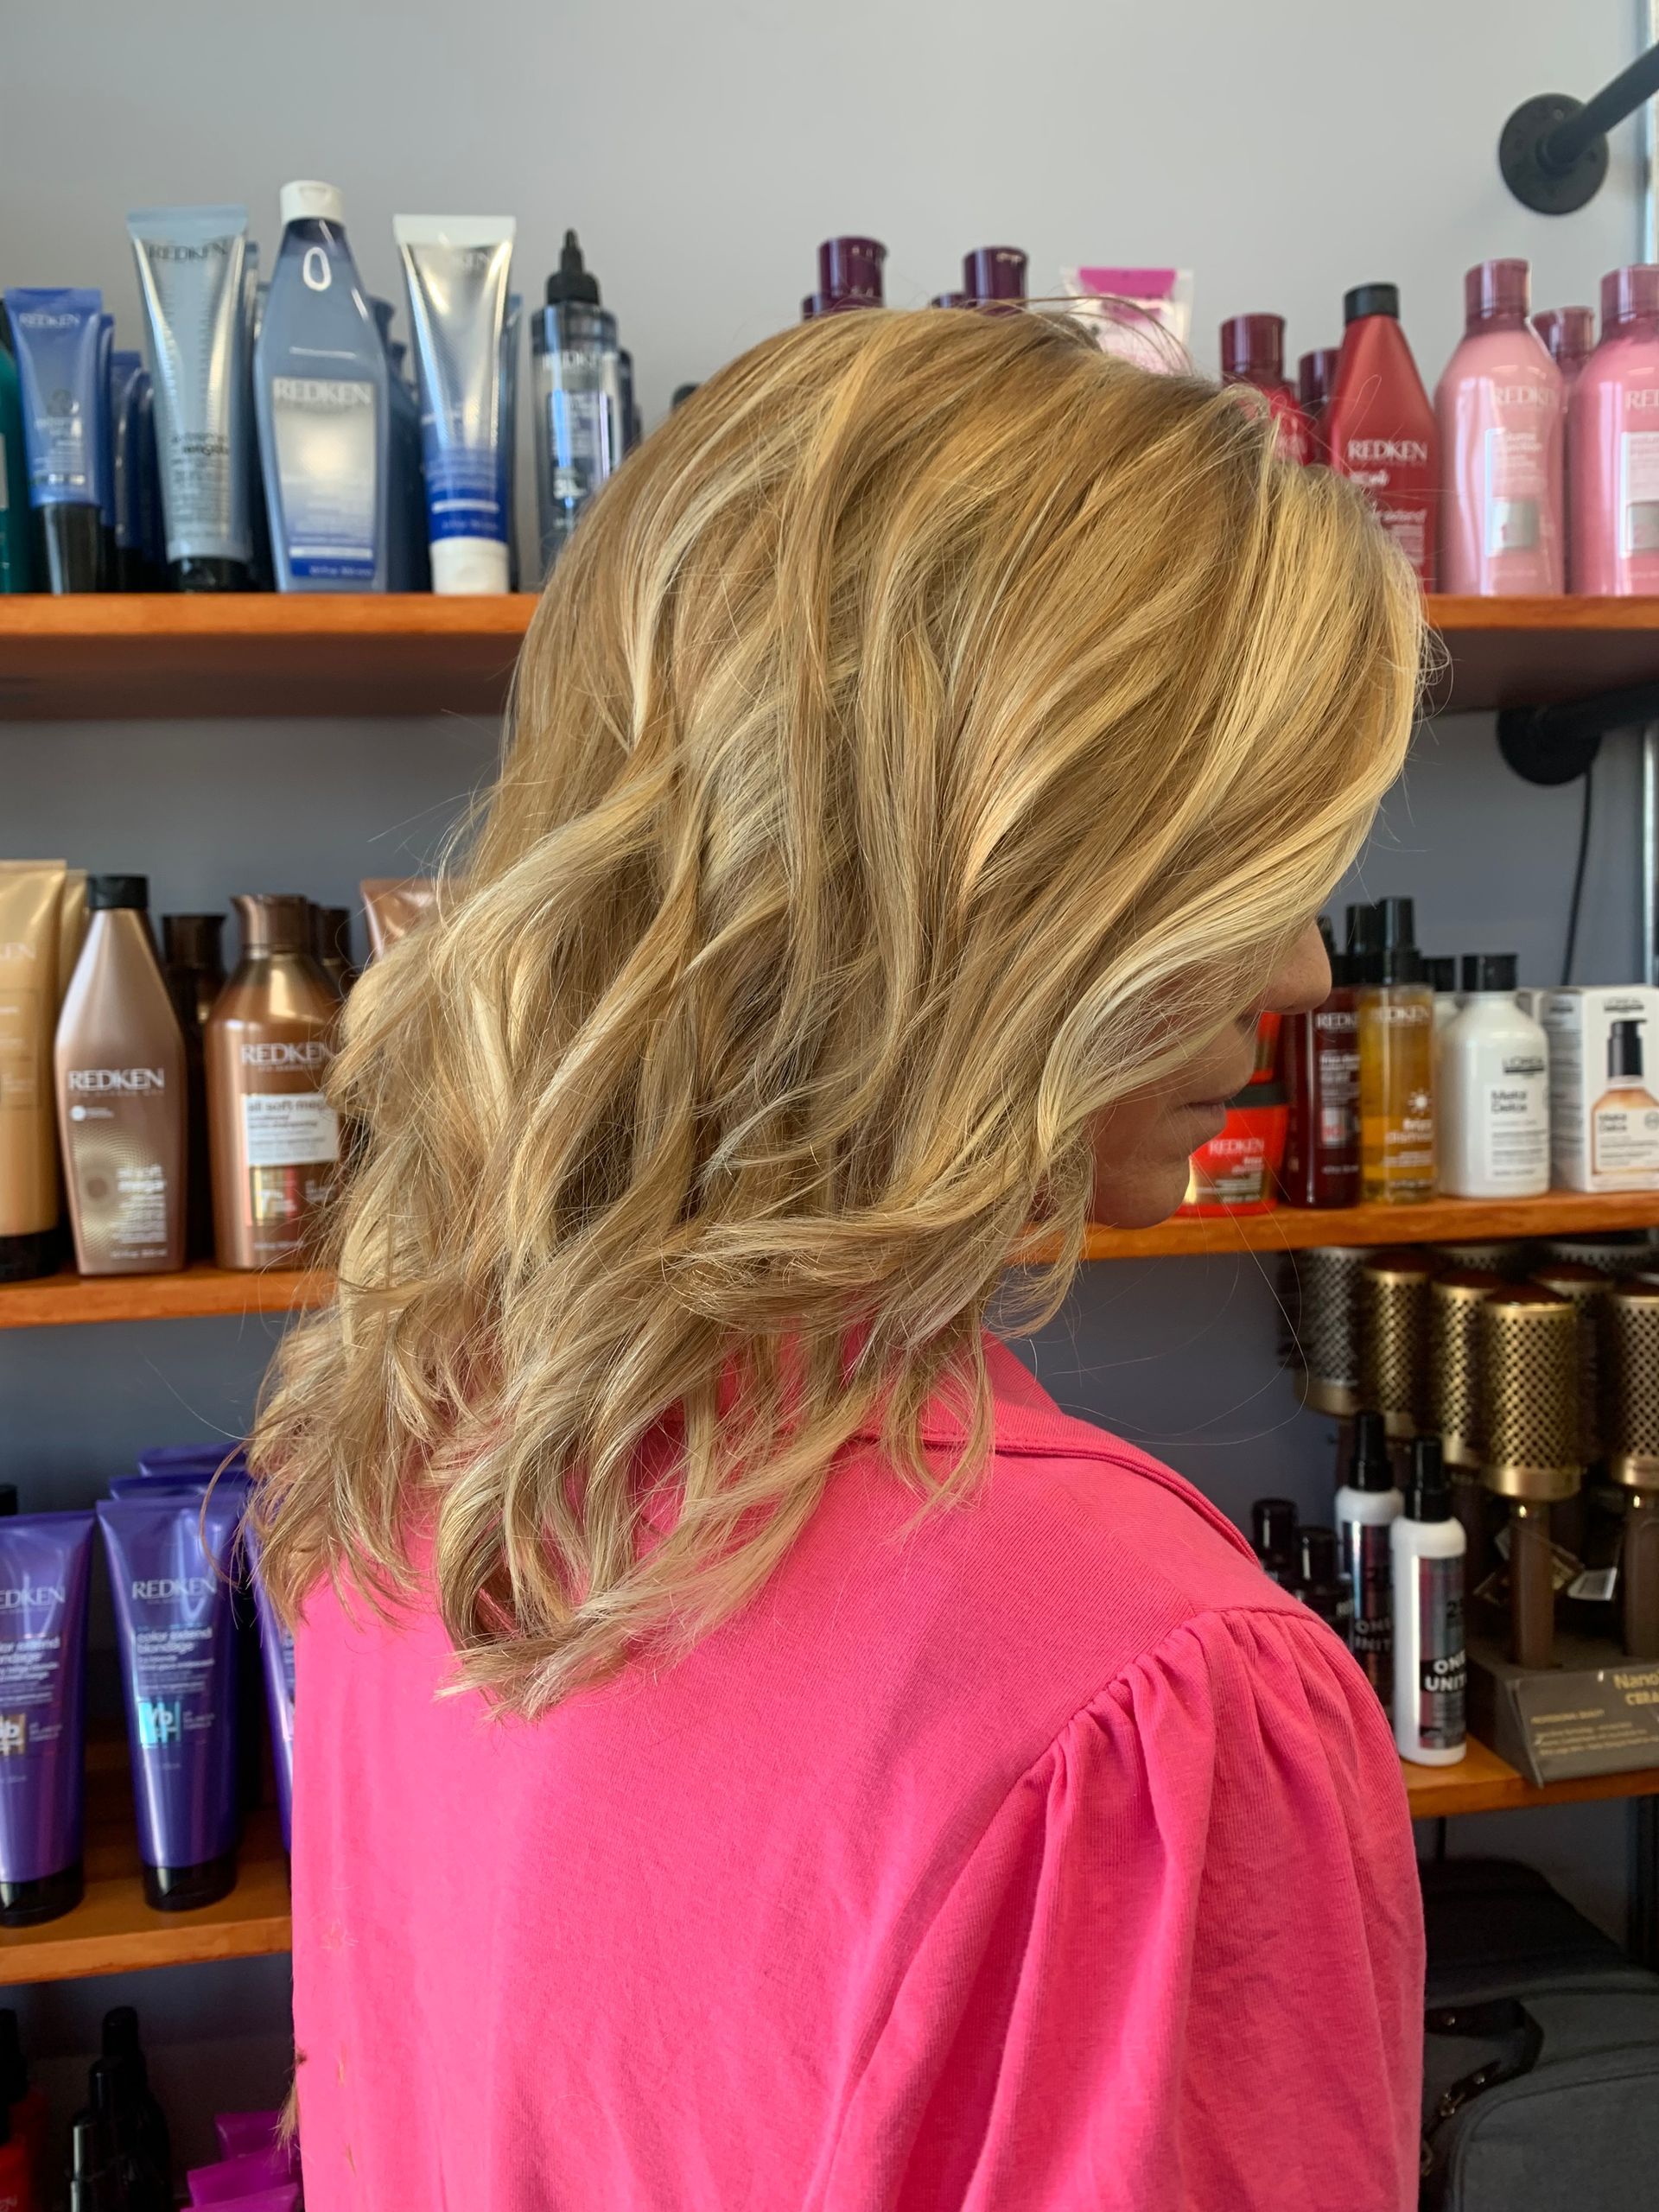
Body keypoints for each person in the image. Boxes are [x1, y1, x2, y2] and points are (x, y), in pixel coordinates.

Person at [253, 305, 1424, 2210]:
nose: (1302, 977)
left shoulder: (409, 1462)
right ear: (994, 885)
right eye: (1235, 874)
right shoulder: (1144, 1695)